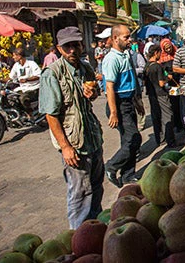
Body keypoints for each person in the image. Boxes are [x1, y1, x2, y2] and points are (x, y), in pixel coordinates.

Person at [39, 26, 104, 229]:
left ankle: (93, 230)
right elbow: (51, 115)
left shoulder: (85, 68)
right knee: (80, 193)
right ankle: (79, 236)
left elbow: (93, 95)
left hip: (92, 138)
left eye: (75, 45)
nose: (72, 50)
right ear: (59, 48)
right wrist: (65, 147)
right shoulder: (52, 74)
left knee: (96, 188)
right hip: (75, 145)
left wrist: (92, 93)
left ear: (81, 45)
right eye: (67, 47)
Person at [102, 24, 143, 187]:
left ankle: (128, 174)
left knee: (128, 140)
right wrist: (113, 112)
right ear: (114, 39)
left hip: (128, 102)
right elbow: (110, 87)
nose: (129, 40)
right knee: (134, 139)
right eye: (126, 37)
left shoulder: (125, 54)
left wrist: (137, 102)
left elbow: (131, 82)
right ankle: (111, 166)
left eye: (129, 36)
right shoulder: (111, 59)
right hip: (118, 104)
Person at [144, 45, 176, 147]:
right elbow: (161, 83)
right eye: (159, 52)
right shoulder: (157, 66)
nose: (160, 54)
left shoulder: (147, 66)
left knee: (156, 117)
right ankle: (170, 140)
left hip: (151, 94)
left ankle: (160, 139)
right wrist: (169, 78)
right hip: (161, 94)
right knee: (167, 116)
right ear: (156, 53)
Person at [159, 37, 183, 132]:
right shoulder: (161, 58)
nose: (169, 50)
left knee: (182, 102)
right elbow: (161, 70)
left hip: (179, 81)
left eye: (170, 47)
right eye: (166, 48)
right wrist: (167, 75)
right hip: (170, 84)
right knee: (174, 104)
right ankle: (177, 124)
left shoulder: (176, 54)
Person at [9, 47, 41, 116]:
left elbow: (38, 75)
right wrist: (0, 80)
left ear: (19, 56)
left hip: (33, 88)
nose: (13, 57)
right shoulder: (16, 65)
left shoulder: (31, 64)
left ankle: (30, 114)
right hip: (23, 88)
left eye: (14, 55)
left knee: (23, 98)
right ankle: (19, 114)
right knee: (11, 96)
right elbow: (11, 77)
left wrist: (27, 79)